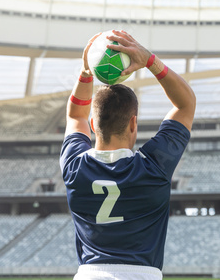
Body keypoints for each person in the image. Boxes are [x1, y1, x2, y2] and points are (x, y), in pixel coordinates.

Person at [60, 30, 196, 280]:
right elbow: (185, 105)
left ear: (93, 124)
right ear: (133, 123)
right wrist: (150, 61)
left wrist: (87, 70)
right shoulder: (154, 166)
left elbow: (74, 115)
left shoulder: (74, 167)